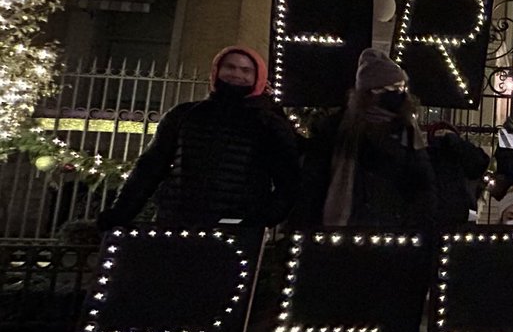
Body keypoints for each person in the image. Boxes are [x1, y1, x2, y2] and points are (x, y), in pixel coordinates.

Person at [98, 46, 299, 229]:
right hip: (177, 221)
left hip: (236, 226)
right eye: (230, 67)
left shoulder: (269, 122)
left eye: (246, 70)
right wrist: (120, 214)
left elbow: (288, 180)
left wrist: (261, 219)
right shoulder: (184, 114)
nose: (236, 74)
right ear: (216, 71)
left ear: (258, 77)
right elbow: (150, 167)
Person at [299, 48, 435, 229]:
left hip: (394, 230)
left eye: (401, 87)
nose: (398, 93)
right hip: (346, 227)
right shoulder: (338, 129)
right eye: (388, 88)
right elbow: (314, 183)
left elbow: (423, 184)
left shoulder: (408, 131)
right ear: (368, 92)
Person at [426, 121, 489, 230]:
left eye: (447, 133)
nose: (443, 136)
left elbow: (479, 164)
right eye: (439, 133)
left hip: (459, 212)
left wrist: (458, 144)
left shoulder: (464, 156)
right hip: (432, 211)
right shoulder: (427, 156)